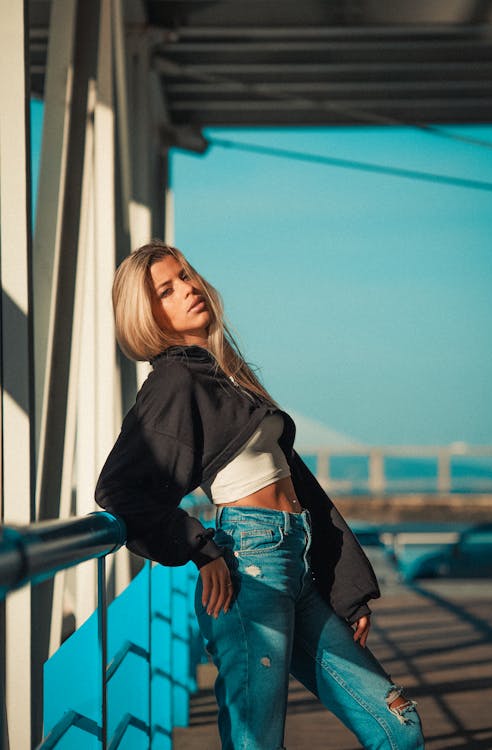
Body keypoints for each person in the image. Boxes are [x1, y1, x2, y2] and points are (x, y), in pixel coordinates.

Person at [95, 241, 425, 750]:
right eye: (167, 290)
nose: (188, 289)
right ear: (149, 315)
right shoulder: (175, 380)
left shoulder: (226, 372)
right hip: (249, 566)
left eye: (186, 276)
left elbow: (302, 487)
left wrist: (348, 587)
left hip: (297, 559)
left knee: (398, 725)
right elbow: (118, 489)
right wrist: (202, 551)